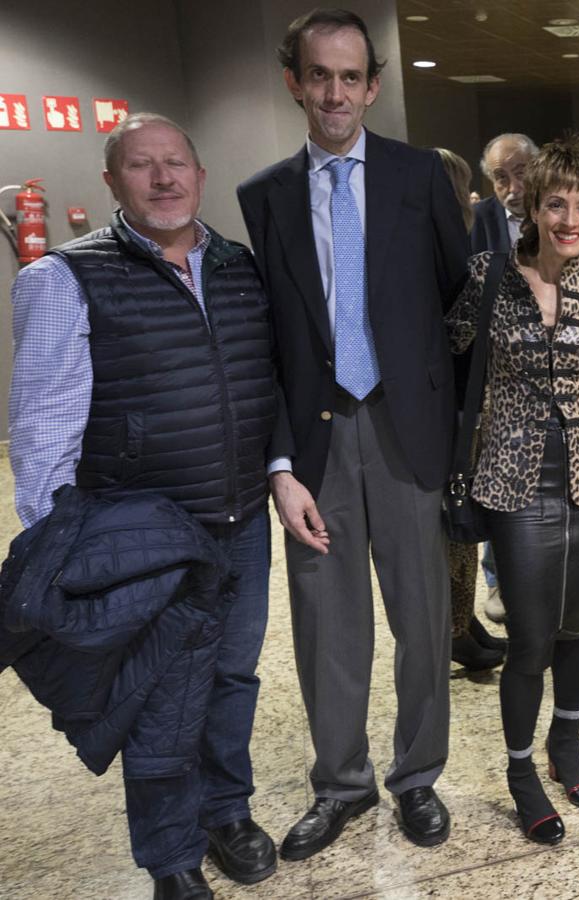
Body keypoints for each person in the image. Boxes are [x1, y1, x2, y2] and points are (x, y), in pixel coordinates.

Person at [10, 112, 277, 899]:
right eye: (141, 166)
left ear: (198, 174)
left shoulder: (240, 269)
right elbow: (43, 428)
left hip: (241, 523)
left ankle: (228, 811)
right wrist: (66, 550)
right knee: (159, 696)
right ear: (111, 182)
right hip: (144, 539)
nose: (163, 179)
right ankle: (170, 856)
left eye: (176, 164)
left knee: (232, 677)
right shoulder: (63, 278)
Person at [236, 8, 468, 860]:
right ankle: (341, 785)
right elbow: (269, 339)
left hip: (408, 434)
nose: (335, 92)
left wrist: (457, 437)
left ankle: (417, 778)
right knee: (327, 625)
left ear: (373, 85)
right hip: (316, 444)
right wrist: (278, 463)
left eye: (351, 76)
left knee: (421, 617)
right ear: (294, 81)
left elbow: (457, 304)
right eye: (318, 74)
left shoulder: (419, 177)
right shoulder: (263, 197)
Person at [446, 132, 579, 845]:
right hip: (515, 483)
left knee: (577, 627)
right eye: (558, 203)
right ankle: (521, 771)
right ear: (530, 204)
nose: (571, 220)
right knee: (529, 639)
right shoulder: (491, 273)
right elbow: (452, 350)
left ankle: (566, 745)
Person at [433, 147, 508, 672]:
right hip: (446, 405)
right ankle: (452, 628)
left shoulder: (459, 235)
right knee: (448, 525)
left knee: (456, 530)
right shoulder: (439, 242)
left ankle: (460, 623)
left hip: (463, 402)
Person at [471, 132, 540, 623]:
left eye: (521, 172)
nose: (513, 186)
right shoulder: (476, 224)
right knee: (502, 486)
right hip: (499, 382)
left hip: (555, 376)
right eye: (501, 177)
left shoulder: (561, 215)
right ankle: (498, 579)